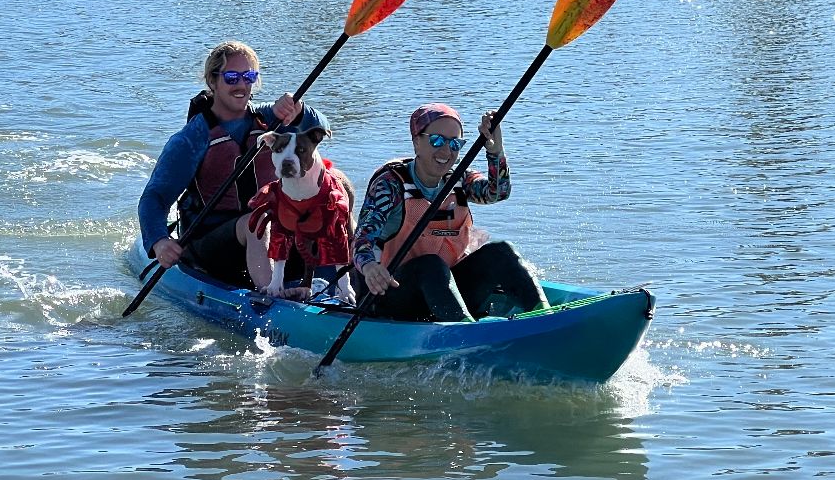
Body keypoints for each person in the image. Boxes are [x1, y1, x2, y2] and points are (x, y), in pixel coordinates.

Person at [138, 40, 330, 293]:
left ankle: (352, 283)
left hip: (271, 233)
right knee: (257, 220)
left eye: (249, 76)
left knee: (332, 196)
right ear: (213, 81)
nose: (241, 85)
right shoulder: (191, 139)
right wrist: (160, 241)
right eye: (231, 77)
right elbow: (155, 197)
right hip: (210, 244)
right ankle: (272, 295)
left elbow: (322, 127)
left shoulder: (272, 120)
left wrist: (301, 110)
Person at [352, 102, 550, 322]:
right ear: (417, 142)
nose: (446, 151)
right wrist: (369, 267)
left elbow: (498, 193)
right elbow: (362, 239)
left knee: (501, 251)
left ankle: (544, 316)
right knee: (430, 264)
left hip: (444, 290)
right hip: (393, 294)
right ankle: (467, 332)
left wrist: (495, 151)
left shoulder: (460, 179)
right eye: (437, 141)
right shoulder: (389, 185)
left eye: (455, 144)